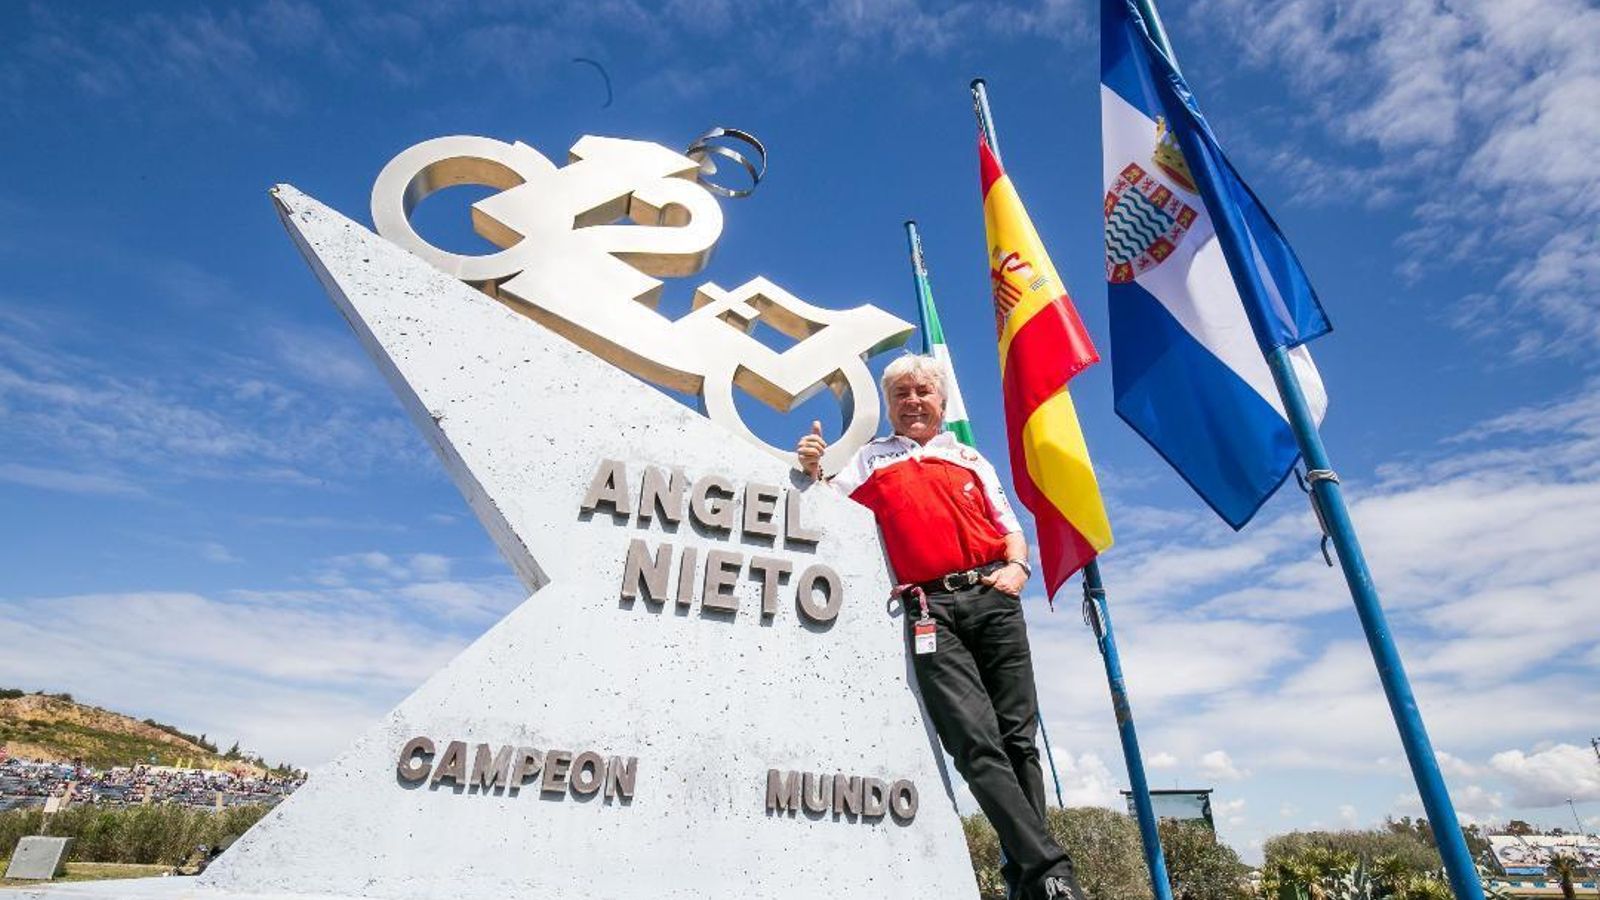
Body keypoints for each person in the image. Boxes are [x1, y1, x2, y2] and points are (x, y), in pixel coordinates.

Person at [797, 354, 1087, 900]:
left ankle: (1029, 881)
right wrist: (813, 468)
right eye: (901, 394)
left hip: (994, 599)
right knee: (974, 745)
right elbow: (828, 506)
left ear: (941, 401)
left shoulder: (971, 458)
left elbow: (1011, 530)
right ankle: (1052, 871)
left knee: (1019, 741)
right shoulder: (871, 460)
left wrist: (1018, 568)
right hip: (931, 611)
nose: (912, 402)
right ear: (889, 404)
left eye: (922, 392)